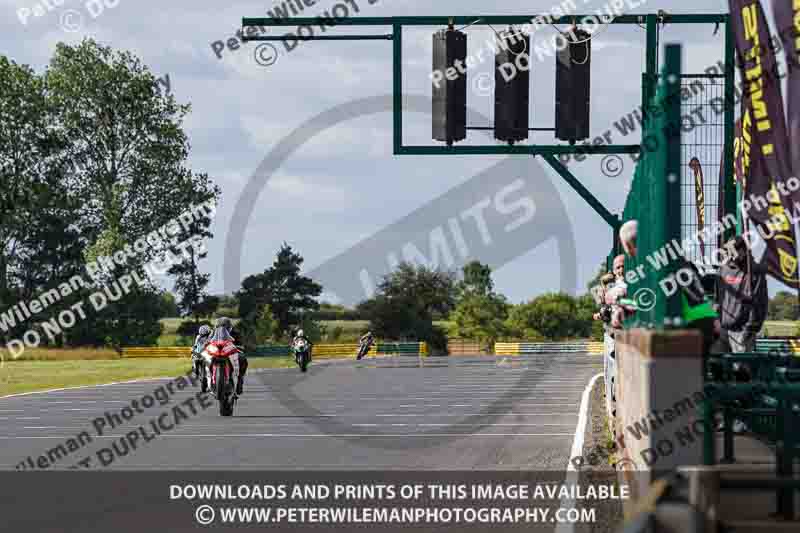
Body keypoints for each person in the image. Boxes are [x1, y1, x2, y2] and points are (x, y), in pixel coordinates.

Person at [618, 219, 720, 355]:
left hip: (687, 326)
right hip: (702, 320)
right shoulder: (667, 254)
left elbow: (655, 298)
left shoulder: (651, 262)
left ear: (628, 245)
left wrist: (629, 304)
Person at [207, 317, 248, 396]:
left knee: (242, 358)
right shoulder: (214, 332)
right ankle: (211, 380)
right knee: (207, 360)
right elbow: (209, 341)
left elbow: (241, 343)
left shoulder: (235, 332)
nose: (223, 328)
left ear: (229, 327)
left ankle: (240, 379)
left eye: (225, 326)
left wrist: (240, 346)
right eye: (220, 326)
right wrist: (206, 345)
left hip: (231, 352)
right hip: (218, 352)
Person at [191, 324, 212, 390]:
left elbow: (211, 344)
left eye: (204, 335)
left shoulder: (211, 336)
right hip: (199, 352)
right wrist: (193, 350)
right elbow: (195, 345)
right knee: (194, 358)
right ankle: (196, 371)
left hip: (208, 352)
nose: (203, 336)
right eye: (201, 334)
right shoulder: (198, 337)